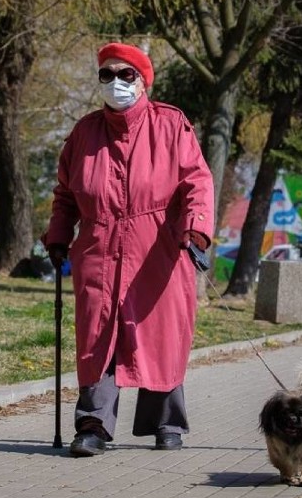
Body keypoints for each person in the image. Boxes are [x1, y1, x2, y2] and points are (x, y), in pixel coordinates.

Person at [42, 42, 215, 457]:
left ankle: (166, 422)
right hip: (98, 249)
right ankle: (93, 425)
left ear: (143, 81)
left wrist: (194, 229)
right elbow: (66, 194)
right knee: (98, 336)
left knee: (161, 335)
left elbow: (197, 182)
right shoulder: (84, 133)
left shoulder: (171, 125)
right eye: (107, 75)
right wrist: (58, 236)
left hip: (157, 247)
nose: (116, 83)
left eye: (126, 75)